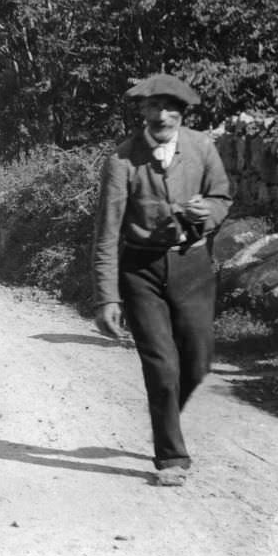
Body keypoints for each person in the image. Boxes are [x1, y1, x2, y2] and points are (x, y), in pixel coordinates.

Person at [92, 73, 232, 486]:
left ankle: (164, 412)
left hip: (192, 266)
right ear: (143, 112)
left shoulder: (202, 148)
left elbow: (222, 196)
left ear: (182, 114)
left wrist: (205, 212)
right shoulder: (122, 160)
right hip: (141, 271)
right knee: (161, 365)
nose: (162, 115)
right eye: (153, 107)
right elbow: (106, 232)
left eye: (171, 108)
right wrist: (106, 298)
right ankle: (171, 456)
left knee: (198, 361)